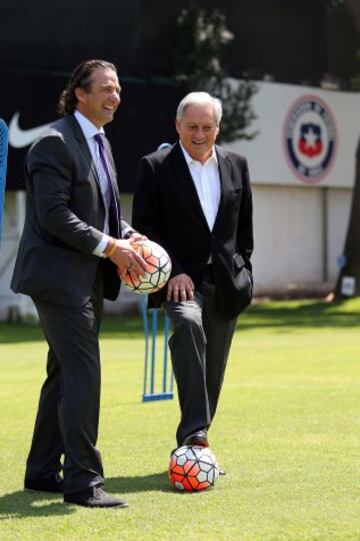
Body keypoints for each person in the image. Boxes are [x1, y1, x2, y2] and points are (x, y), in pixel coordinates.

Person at [11, 59, 147, 508]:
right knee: (84, 373)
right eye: (106, 88)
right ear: (79, 94)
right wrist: (111, 246)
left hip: (86, 278)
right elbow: (54, 216)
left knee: (63, 373)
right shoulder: (53, 142)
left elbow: (101, 211)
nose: (115, 96)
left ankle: (42, 470)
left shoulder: (101, 143)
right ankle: (83, 482)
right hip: (57, 280)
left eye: (119, 89)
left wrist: (127, 235)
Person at [132, 92, 253, 461]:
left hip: (227, 282)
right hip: (180, 282)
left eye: (207, 127)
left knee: (213, 369)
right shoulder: (154, 166)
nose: (199, 134)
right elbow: (144, 228)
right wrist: (175, 273)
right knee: (186, 326)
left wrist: (244, 271)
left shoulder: (237, 164)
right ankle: (195, 435)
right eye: (192, 127)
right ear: (177, 126)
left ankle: (196, 445)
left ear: (217, 128)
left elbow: (243, 229)